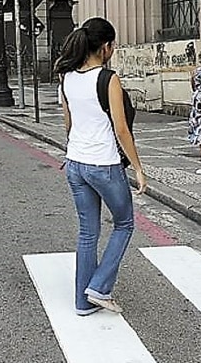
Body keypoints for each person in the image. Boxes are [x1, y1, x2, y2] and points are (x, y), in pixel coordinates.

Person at [56, 17, 147, 315]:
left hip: (76, 164)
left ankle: (83, 302)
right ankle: (98, 287)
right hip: (104, 165)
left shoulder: (66, 77)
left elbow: (69, 124)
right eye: (114, 45)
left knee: (87, 232)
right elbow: (121, 129)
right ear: (106, 47)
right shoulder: (108, 79)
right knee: (124, 224)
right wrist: (137, 168)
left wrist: (75, 150)